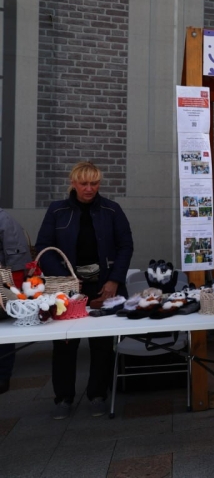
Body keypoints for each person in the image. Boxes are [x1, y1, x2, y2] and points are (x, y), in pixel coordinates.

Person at [35, 162, 133, 419]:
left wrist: (114, 281)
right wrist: (65, 278)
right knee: (66, 342)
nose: (89, 188)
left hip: (103, 284)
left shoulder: (112, 210)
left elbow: (126, 246)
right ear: (74, 183)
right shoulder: (57, 210)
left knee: (102, 342)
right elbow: (44, 246)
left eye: (94, 183)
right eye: (84, 183)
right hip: (68, 287)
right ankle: (63, 398)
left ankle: (97, 393)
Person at [0, 209, 34, 394]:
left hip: (1, 287)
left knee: (3, 332)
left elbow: (17, 259)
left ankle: (3, 376)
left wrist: (11, 290)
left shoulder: (3, 219)